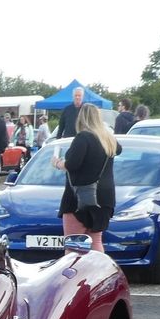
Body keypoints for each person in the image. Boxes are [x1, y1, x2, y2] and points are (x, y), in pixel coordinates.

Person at [52, 103, 121, 252]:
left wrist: (58, 163)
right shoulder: (108, 139)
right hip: (105, 198)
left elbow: (72, 165)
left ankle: (74, 275)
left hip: (80, 198)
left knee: (73, 246)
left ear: (81, 118)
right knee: (96, 241)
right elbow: (119, 149)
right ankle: (99, 273)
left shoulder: (83, 137)